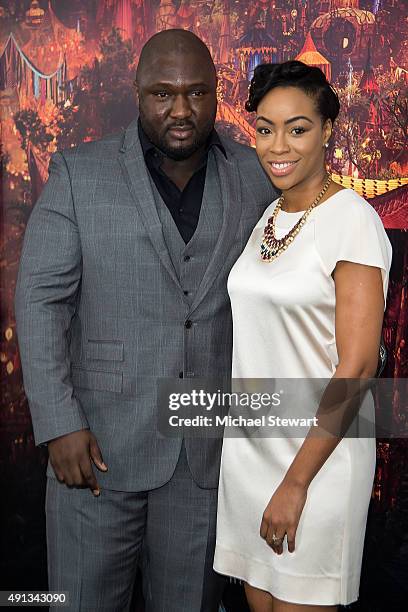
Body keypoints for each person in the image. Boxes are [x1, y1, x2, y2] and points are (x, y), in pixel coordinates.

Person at [14, 30, 277, 612]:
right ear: (136, 92)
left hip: (204, 458)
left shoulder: (257, 179)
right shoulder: (80, 175)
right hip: (96, 448)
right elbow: (39, 301)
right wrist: (58, 424)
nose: (180, 110)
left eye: (196, 93)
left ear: (217, 94)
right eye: (163, 93)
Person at [213, 61, 392, 612]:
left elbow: (358, 369)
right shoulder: (269, 215)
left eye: (297, 128)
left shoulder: (352, 220)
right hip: (251, 457)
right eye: (265, 129)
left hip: (317, 462)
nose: (276, 146)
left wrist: (296, 484)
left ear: (328, 129)